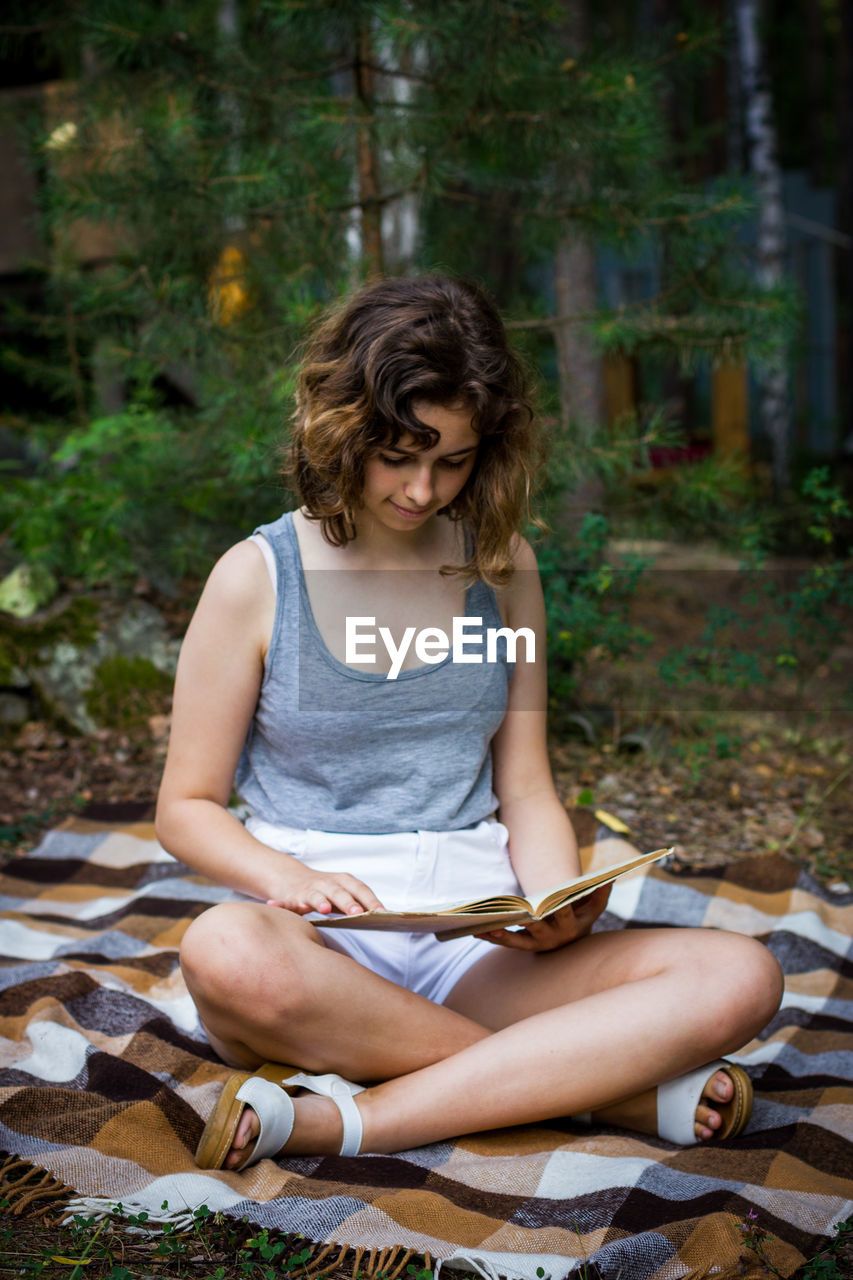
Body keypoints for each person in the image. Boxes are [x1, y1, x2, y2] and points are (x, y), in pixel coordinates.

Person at [155, 275, 783, 1170]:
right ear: (343, 426)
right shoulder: (256, 577)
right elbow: (186, 805)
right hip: (314, 953)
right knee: (223, 950)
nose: (422, 489)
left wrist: (551, 902)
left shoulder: (501, 564)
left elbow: (525, 783)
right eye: (400, 452)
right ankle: (604, 1093)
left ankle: (344, 1118)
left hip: (472, 941)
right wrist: (285, 877)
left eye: (452, 460)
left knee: (740, 975)